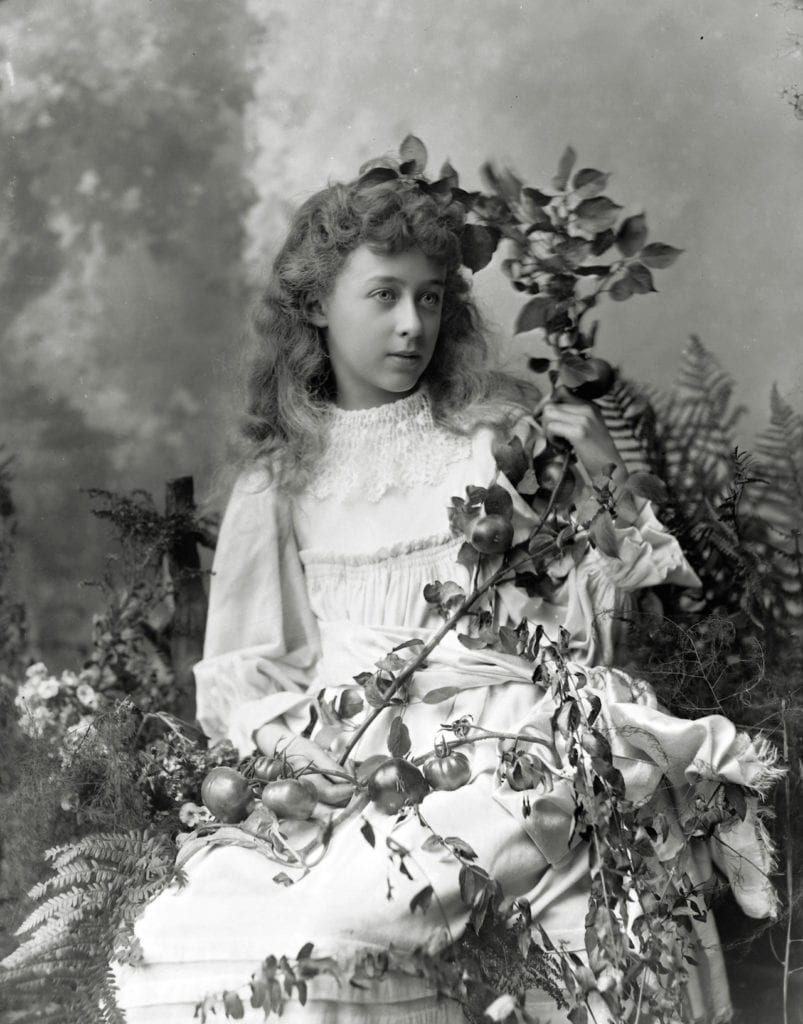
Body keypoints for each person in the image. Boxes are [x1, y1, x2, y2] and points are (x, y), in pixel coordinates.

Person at [114, 160, 778, 1024]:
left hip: (504, 745)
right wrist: (293, 758)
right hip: (354, 767)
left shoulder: (491, 439)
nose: (411, 324)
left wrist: (604, 477)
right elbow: (250, 671)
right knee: (185, 931)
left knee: (354, 920)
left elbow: (600, 614)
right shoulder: (279, 482)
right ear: (316, 307)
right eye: (383, 295)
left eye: (430, 299)